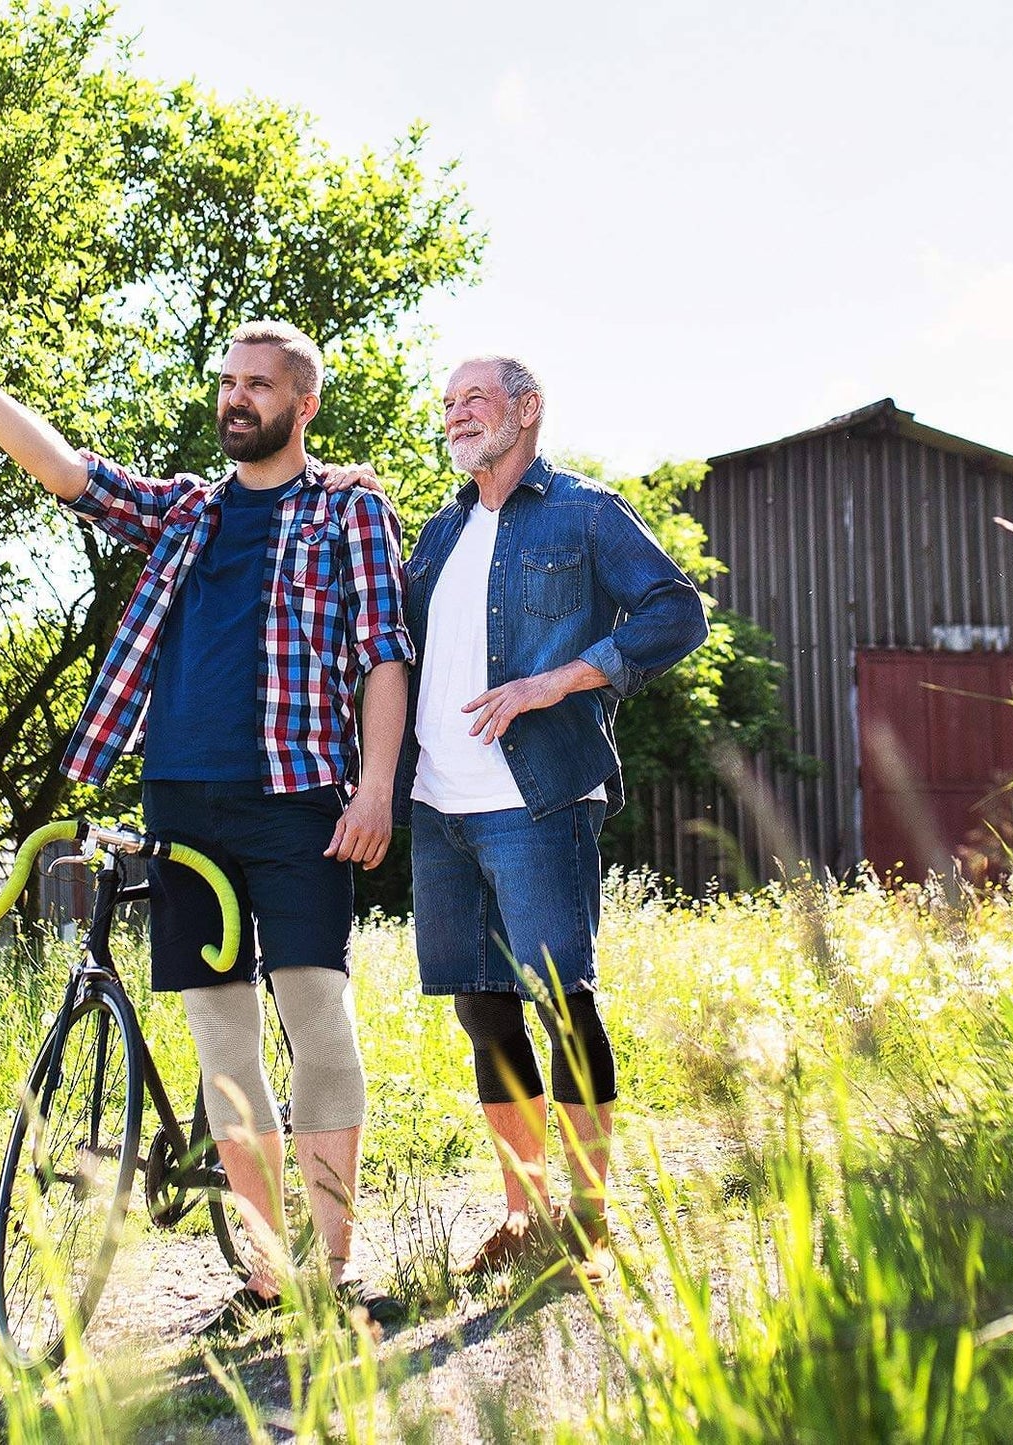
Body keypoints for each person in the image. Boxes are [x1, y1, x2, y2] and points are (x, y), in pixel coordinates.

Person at [0, 289, 412, 1332]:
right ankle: (269, 1273)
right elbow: (68, 472)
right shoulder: (188, 508)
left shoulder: (345, 510)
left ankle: (331, 1267)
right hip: (180, 802)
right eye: (227, 383)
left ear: (302, 404)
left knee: (317, 1015)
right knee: (221, 1040)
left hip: (300, 801)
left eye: (257, 385)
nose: (235, 400)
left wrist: (373, 786)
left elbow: (381, 656)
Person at [393, 355, 708, 1282]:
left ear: (526, 411)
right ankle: (522, 1213)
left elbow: (674, 611)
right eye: (447, 404)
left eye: (474, 401)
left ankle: (585, 1216)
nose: (455, 416)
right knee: (482, 1009)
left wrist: (556, 680)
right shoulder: (438, 531)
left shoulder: (585, 512)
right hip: (439, 804)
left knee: (561, 1001)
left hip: (535, 800)